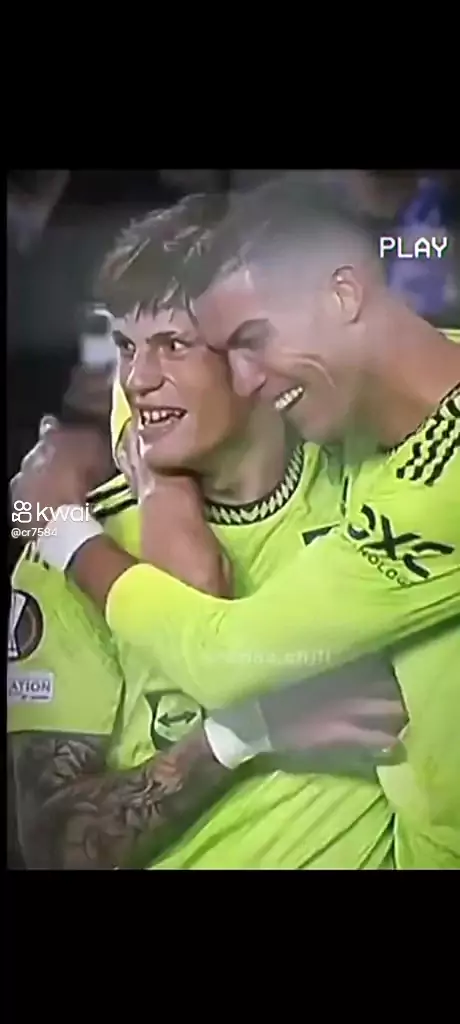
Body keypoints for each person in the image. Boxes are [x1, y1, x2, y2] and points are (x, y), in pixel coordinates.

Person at [12, 179, 460, 866]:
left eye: (174, 345)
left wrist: (66, 527)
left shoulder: (366, 463)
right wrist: (236, 738)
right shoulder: (66, 547)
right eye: (125, 346)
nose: (137, 379)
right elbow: (49, 851)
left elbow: (223, 651)